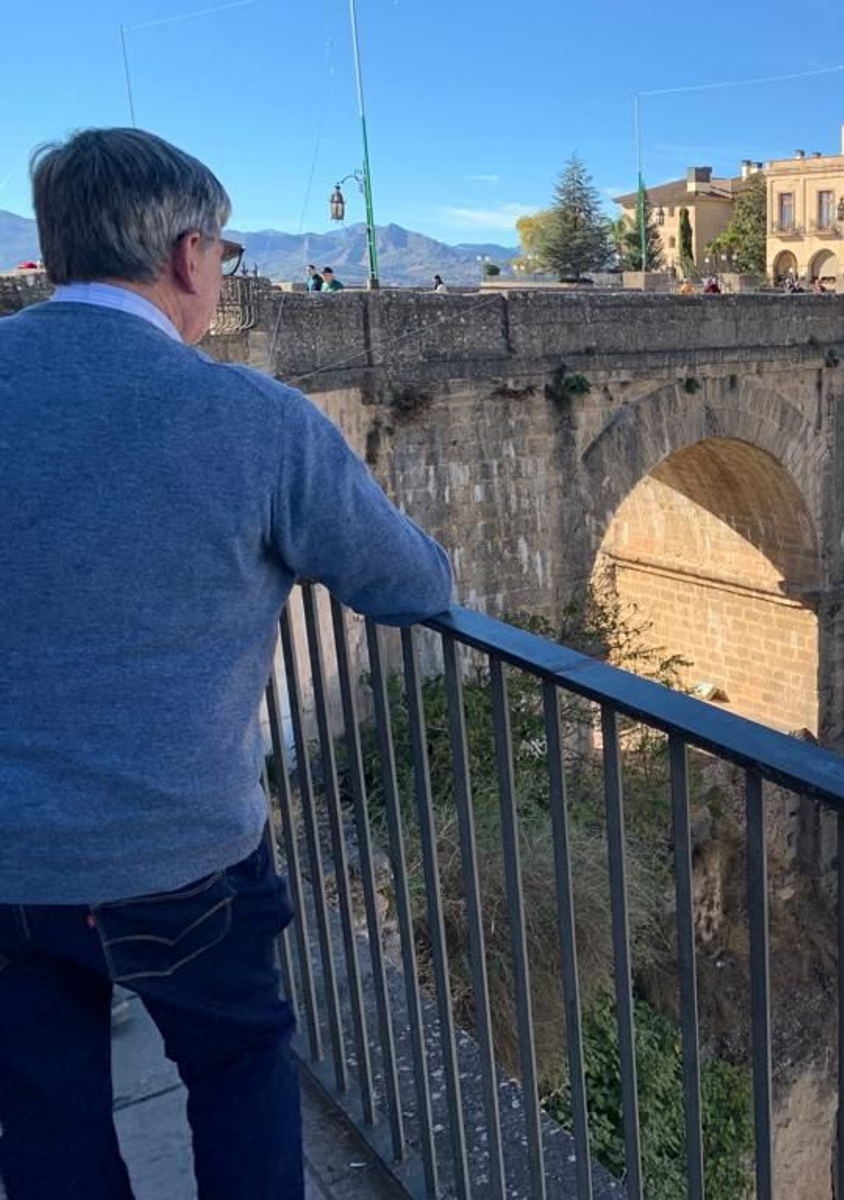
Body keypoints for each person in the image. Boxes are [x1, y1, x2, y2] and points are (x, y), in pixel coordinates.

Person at [0, 128, 453, 1199]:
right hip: (180, 853)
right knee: (240, 1069)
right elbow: (413, 586)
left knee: (43, 1113)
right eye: (224, 253)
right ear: (187, 254)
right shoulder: (251, 420)